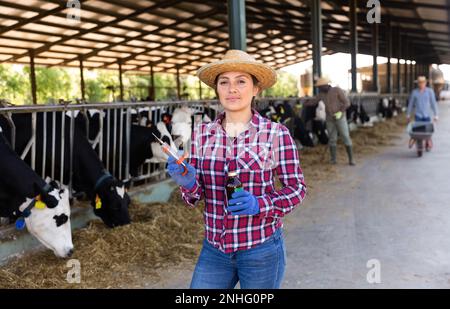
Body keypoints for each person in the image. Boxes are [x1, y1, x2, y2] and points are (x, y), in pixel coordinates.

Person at [166, 50, 307, 289]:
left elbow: (297, 189)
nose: (232, 89)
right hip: (215, 250)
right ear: (217, 89)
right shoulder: (203, 134)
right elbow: (196, 195)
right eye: (224, 82)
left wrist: (260, 204)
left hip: (260, 248)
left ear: (255, 89)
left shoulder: (275, 134)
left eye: (241, 81)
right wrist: (188, 184)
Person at [305, 77, 355, 165]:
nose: (319, 88)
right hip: (329, 118)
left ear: (326, 85)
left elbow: (347, 102)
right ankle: (333, 159)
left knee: (345, 137)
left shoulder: (337, 90)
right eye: (318, 87)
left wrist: (340, 112)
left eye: (320, 86)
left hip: (340, 118)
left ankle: (351, 159)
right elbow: (314, 101)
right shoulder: (321, 94)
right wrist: (305, 102)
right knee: (332, 139)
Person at [407, 76, 439, 151]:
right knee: (418, 132)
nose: (421, 84)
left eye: (423, 83)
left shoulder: (430, 91)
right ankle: (418, 143)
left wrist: (436, 115)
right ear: (418, 84)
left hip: (427, 115)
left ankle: (428, 142)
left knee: (427, 132)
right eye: (420, 83)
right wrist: (408, 114)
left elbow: (433, 103)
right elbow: (411, 104)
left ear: (425, 83)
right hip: (418, 115)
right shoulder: (414, 92)